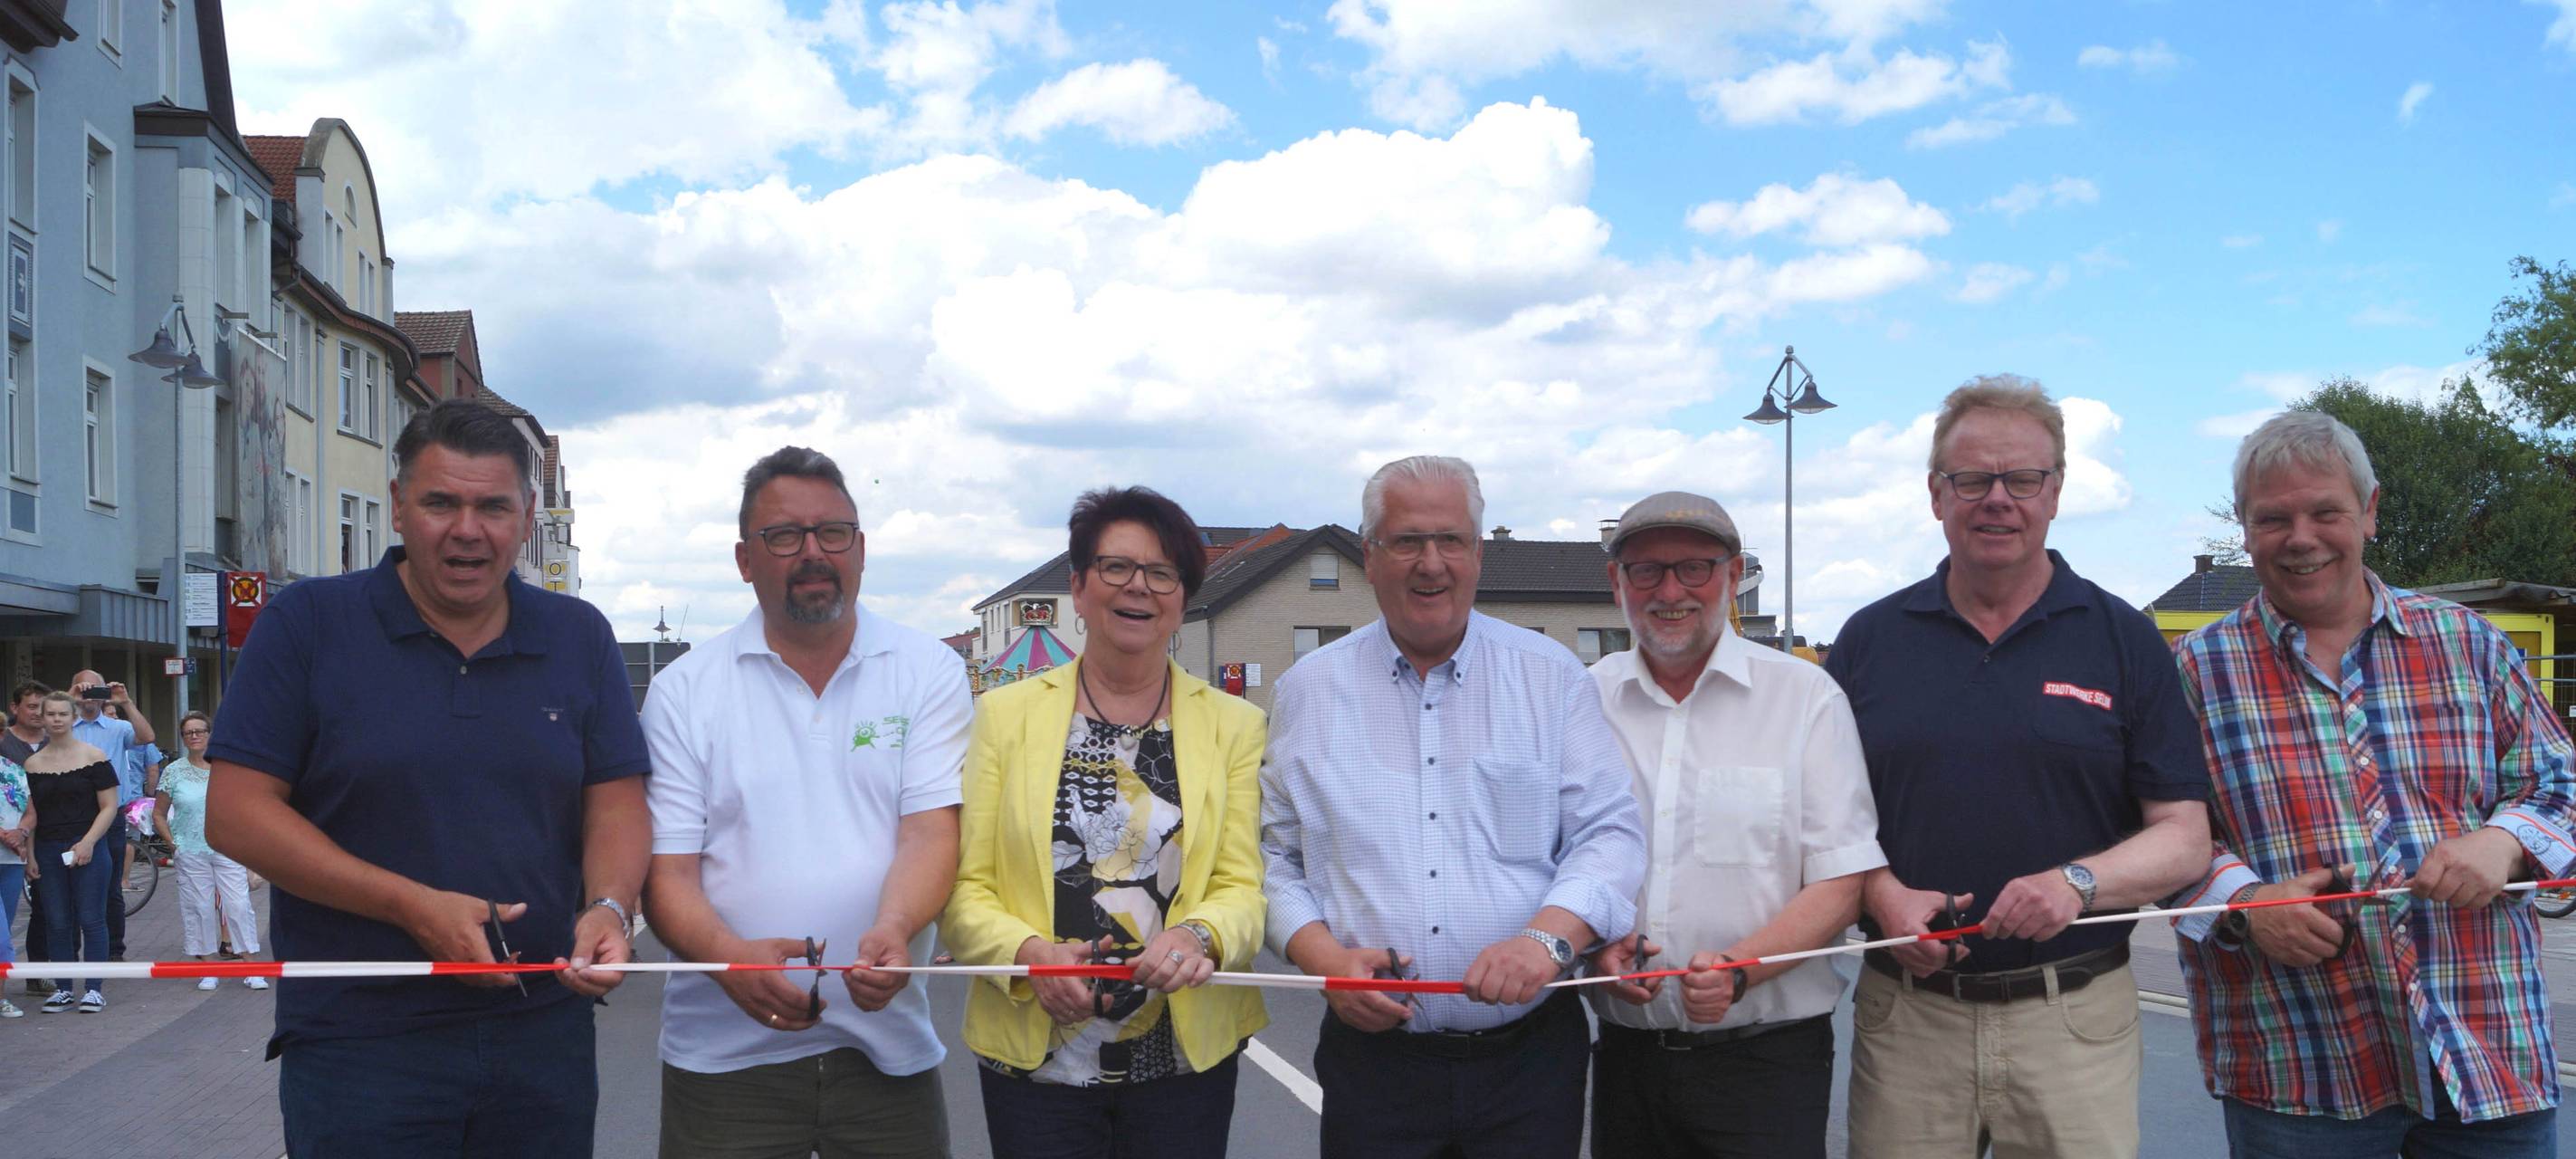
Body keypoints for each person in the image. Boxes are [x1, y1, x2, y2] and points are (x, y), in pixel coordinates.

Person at [205, 398, 650, 1156]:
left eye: (492, 506)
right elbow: (237, 814)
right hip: (360, 1041)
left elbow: (615, 802)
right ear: (399, 507)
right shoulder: (308, 624)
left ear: (527, 515)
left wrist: (609, 906)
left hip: (543, 1030)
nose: (467, 529)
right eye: (441, 502)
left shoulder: (579, 636)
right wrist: (409, 905)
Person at [1823, 376, 2213, 1159]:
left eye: (2022, 479)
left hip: (2073, 1022)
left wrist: (2076, 883)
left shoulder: (2125, 640)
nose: (1997, 498)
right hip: (1909, 1024)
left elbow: (2184, 838)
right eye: (1972, 479)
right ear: (1937, 495)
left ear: (2056, 492)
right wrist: (1883, 894)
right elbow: (1823, 826)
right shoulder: (1866, 643)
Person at [2171, 410, 2574, 1154]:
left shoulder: (2468, 644)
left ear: (2371, 510)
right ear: (2245, 526)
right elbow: (2156, 837)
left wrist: (2505, 841)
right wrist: (2245, 903)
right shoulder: (2194, 673)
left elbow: (2562, 784)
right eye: (2273, 518)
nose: (2301, 537)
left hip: (2486, 1048)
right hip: (2297, 1064)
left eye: (2326, 511)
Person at [1262, 455, 1646, 1158]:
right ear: (1369, 556)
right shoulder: (1307, 693)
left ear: (1477, 555)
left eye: (1451, 541)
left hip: (1529, 1064)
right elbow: (1273, 857)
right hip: (1373, 1067)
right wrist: (1324, 958)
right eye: (1407, 541)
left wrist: (1547, 940)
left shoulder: (1550, 676)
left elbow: (1609, 833)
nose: (1430, 563)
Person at [643, 446, 968, 1159]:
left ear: (861, 548)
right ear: (744, 559)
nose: (814, 553)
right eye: (785, 536)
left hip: (889, 1052)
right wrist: (732, 961)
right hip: (723, 1060)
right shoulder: (684, 692)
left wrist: (896, 924)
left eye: (834, 533)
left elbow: (930, 833)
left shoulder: (928, 670)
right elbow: (667, 876)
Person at [946, 486, 1271, 1154]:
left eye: (1162, 573)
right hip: (1036, 1063)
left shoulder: (1235, 726)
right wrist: (1028, 955)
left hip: (1183, 1064)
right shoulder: (1004, 719)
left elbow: (1243, 886)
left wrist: (1201, 936)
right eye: (1116, 567)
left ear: (1183, 598)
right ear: (1078, 585)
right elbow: (963, 889)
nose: (1139, 588)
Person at [1581, 492, 1885, 1159]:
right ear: (1616, 582)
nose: (1670, 591)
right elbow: (1557, 862)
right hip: (1629, 1063)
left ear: (1733, 574)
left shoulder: (1806, 698)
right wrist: (1594, 951)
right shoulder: (1585, 700)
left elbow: (1843, 879)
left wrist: (1741, 971)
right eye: (1646, 570)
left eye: (1694, 568)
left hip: (1766, 1067)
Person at [155, 711, 266, 991]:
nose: (194, 736)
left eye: (199, 731)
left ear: (209, 734)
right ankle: (208, 967)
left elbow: (245, 810)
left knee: (238, 905)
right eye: (188, 732)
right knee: (199, 908)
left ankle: (252, 966)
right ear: (182, 738)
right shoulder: (173, 771)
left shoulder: (228, 768)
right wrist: (173, 843)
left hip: (227, 847)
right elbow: (158, 813)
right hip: (190, 851)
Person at [24, 691, 117, 1013]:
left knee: (92, 918)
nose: (57, 719)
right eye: (51, 714)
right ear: (43, 718)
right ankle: (63, 988)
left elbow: (109, 807)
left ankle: (94, 989)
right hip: (48, 848)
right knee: (57, 921)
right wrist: (31, 855)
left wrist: (89, 841)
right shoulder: (32, 764)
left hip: (88, 844)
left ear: (73, 717)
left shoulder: (95, 756)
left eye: (63, 714)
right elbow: (30, 815)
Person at [66, 672, 152, 960]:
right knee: (71, 884)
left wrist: (126, 702)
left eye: (95, 688)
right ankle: (72, 951)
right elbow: (41, 732)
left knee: (111, 885)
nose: (90, 694)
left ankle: (114, 950)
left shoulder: (117, 727)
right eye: (85, 688)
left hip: (112, 814)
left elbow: (147, 737)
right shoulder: (64, 726)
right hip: (74, 815)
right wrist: (71, 697)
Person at [5, 680, 50, 993]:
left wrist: (22, 832)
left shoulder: (57, 741)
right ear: (14, 708)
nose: (38, 713)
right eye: (31, 706)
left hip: (41, 838)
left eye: (42, 707)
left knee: (47, 907)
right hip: (9, 844)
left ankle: (39, 973)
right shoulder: (5, 744)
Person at [0, 739, 32, 1018]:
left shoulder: (15, 770)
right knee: (0, 937)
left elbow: (32, 811)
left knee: (5, 929)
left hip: (12, 861)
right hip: (9, 848)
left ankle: (1, 996)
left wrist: (21, 833)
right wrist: (6, 835)